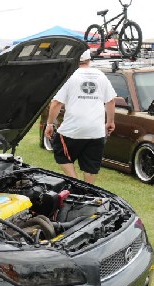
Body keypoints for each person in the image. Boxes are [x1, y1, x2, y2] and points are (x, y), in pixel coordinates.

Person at [44, 49, 116, 185]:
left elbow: (56, 103)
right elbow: (111, 101)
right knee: (91, 165)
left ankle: (75, 182)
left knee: (61, 152)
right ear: (89, 60)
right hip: (96, 131)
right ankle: (88, 189)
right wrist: (110, 122)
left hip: (73, 129)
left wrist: (49, 124)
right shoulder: (101, 76)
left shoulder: (69, 76)